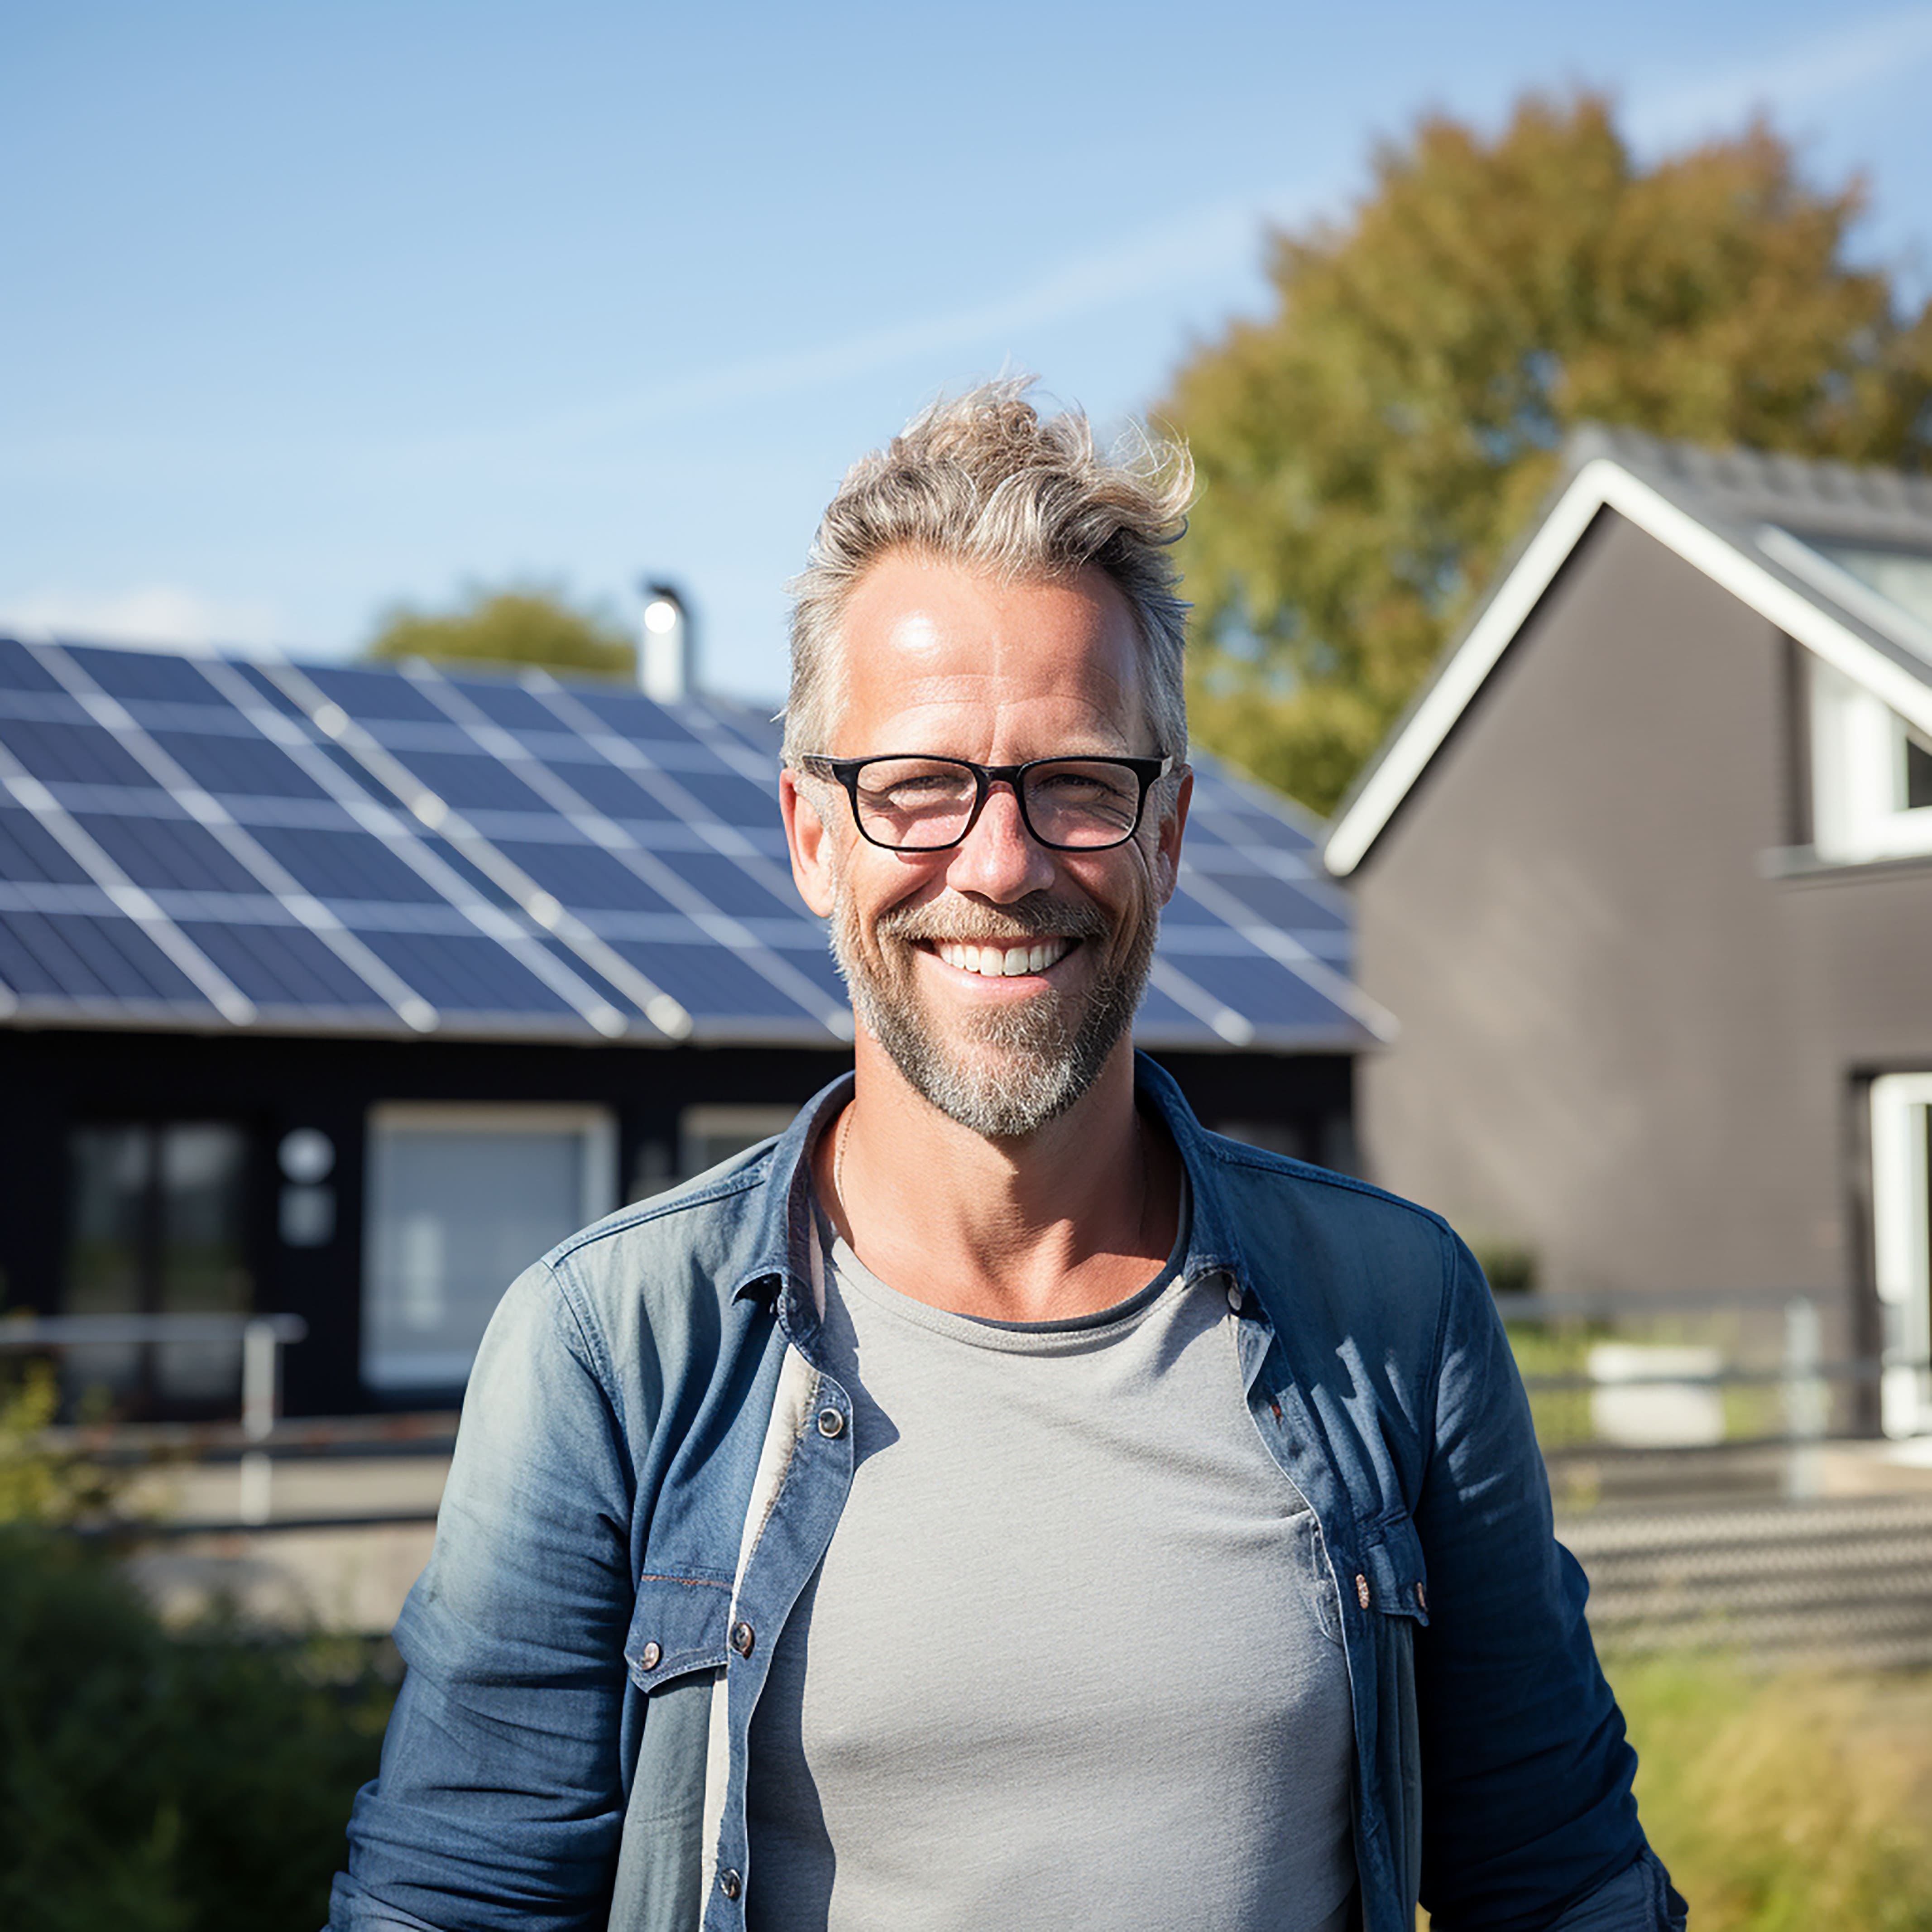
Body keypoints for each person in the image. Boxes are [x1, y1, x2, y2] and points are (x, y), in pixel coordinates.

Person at [331, 380, 1685, 1932]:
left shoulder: (1394, 1312)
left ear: (1166, 830)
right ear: (809, 834)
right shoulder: (613, 1344)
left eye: (1076, 785)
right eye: (915, 785)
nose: (999, 863)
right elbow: (453, 1905)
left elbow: (1561, 1880)